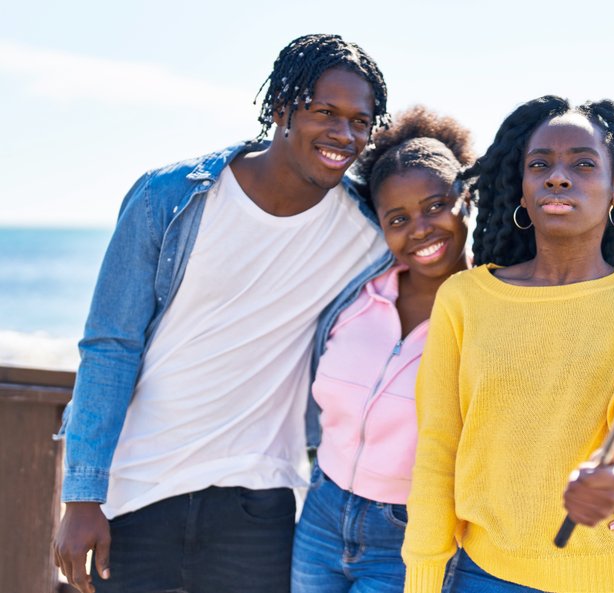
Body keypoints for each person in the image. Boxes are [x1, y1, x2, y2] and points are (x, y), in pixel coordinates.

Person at [52, 34, 392, 593]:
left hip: (259, 505)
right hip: (137, 491)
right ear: (282, 107)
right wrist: (82, 497)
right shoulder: (173, 197)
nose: (344, 134)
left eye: (361, 121)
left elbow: (440, 260)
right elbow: (110, 345)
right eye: (325, 112)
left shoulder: (367, 233)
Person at [291, 106, 614, 593]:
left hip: (419, 528)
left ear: (465, 199)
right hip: (325, 508)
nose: (421, 227)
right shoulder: (360, 296)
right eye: (398, 217)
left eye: (434, 206)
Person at [401, 95, 614, 593]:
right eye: (541, 164)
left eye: (583, 163)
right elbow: (438, 447)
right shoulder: (465, 299)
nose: (558, 177)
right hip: (485, 576)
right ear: (522, 187)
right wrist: (423, 577)